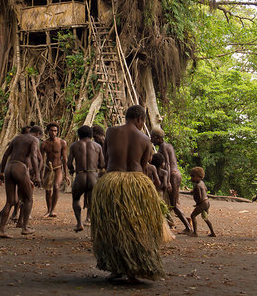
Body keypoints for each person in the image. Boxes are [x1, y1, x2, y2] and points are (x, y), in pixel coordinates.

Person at [90, 105, 167, 283]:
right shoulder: (145, 139)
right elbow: (144, 164)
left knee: (112, 227)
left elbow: (108, 158)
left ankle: (115, 268)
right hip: (137, 185)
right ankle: (133, 271)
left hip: (111, 183)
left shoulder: (110, 132)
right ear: (140, 119)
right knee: (136, 227)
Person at [0, 125, 42, 238]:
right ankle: (24, 227)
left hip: (9, 167)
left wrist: (1, 172)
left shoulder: (17, 138)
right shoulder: (34, 140)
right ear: (37, 134)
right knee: (28, 199)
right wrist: (37, 175)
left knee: (10, 201)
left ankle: (1, 230)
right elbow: (34, 157)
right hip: (20, 168)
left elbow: (6, 154)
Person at [152, 127, 193, 234]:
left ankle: (188, 227)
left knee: (174, 204)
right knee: (174, 202)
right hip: (176, 174)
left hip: (173, 175)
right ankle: (181, 222)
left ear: (158, 138)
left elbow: (168, 164)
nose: (151, 140)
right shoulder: (168, 145)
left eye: (152, 138)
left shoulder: (163, 147)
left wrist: (168, 181)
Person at [67, 125, 105, 232]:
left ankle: (79, 223)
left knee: (76, 199)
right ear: (91, 134)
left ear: (79, 135)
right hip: (93, 176)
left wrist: (72, 169)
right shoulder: (98, 147)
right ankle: (93, 224)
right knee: (93, 202)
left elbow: (69, 163)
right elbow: (102, 164)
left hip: (80, 176)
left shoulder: (74, 146)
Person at [40, 122, 67, 218]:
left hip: (58, 169)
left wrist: (66, 175)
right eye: (51, 130)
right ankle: (48, 210)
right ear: (48, 131)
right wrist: (40, 174)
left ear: (57, 131)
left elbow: (64, 159)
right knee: (47, 190)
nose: (53, 132)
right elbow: (41, 160)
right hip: (48, 169)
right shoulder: (44, 144)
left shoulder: (62, 143)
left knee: (56, 187)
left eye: (55, 131)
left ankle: (53, 209)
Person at [189, 167, 216, 237]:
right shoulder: (202, 183)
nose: (191, 178)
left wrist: (197, 204)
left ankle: (195, 233)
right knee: (205, 218)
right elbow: (205, 190)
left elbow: (200, 197)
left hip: (202, 203)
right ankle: (212, 232)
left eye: (193, 176)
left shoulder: (197, 186)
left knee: (193, 215)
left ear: (199, 177)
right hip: (207, 202)